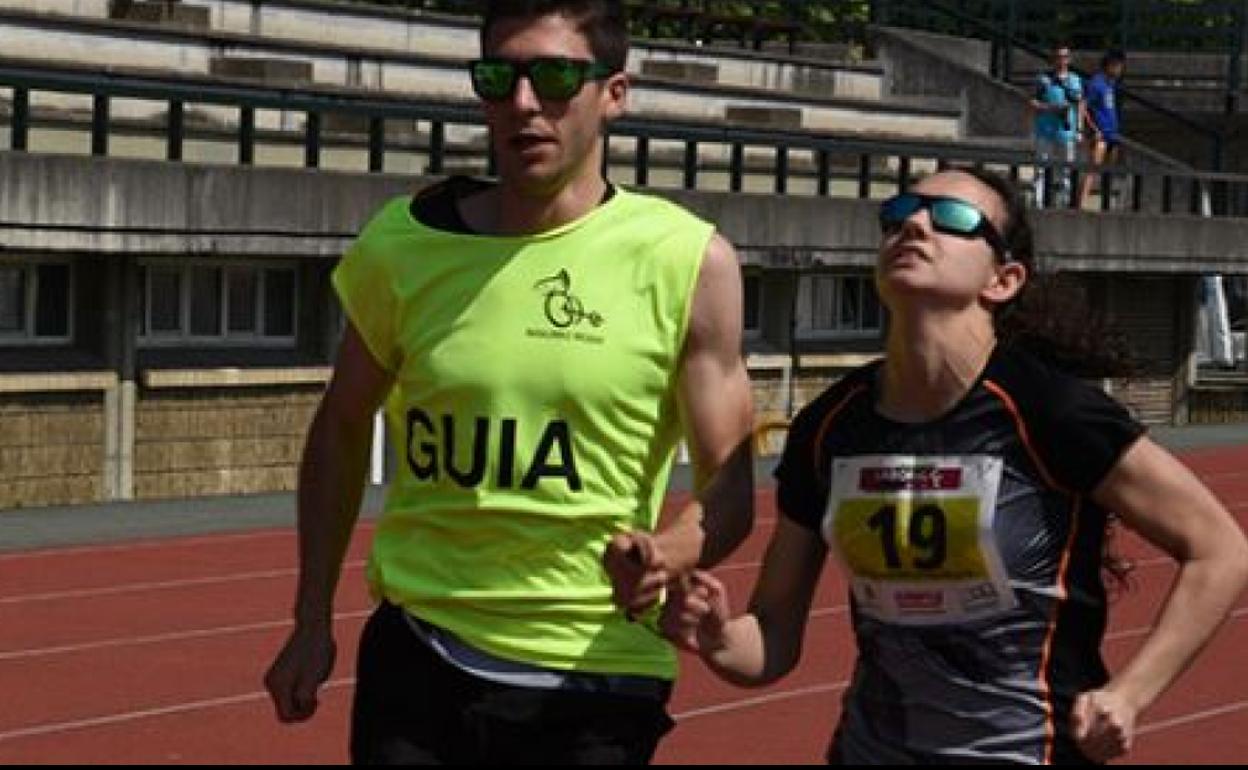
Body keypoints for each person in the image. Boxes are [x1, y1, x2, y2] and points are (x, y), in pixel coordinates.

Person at [262, 0, 756, 764]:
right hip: (419, 657)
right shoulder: (405, 243)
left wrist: (669, 551)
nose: (524, 102)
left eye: (555, 77)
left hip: (592, 675)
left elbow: (731, 482)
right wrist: (310, 617)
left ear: (614, 94)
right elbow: (342, 426)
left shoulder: (686, 261)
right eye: (499, 77)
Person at [659, 167, 1248, 764]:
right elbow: (772, 635)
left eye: (952, 219)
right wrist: (718, 637)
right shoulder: (830, 427)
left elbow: (1220, 549)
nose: (914, 224)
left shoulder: (1049, 411)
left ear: (1003, 279)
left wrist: (1129, 695)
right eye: (898, 214)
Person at [1031, 43, 1085, 209]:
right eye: (1058, 57)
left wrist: (1080, 129)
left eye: (1064, 57)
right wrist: (1051, 108)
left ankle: (1063, 202)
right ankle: (1038, 202)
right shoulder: (1043, 79)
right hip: (1045, 129)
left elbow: (1080, 104)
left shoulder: (1075, 80)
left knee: (1066, 169)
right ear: (1053, 59)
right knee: (1041, 167)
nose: (1061, 60)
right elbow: (1033, 102)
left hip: (1066, 130)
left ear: (1069, 59)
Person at [1076, 49, 1127, 209]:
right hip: (1100, 134)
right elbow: (1083, 106)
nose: (1120, 70)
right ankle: (1081, 204)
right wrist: (1090, 128)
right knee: (1092, 169)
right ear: (1110, 65)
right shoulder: (1096, 83)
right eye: (1118, 66)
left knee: (1108, 171)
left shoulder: (1111, 85)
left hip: (1112, 134)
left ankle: (1105, 204)